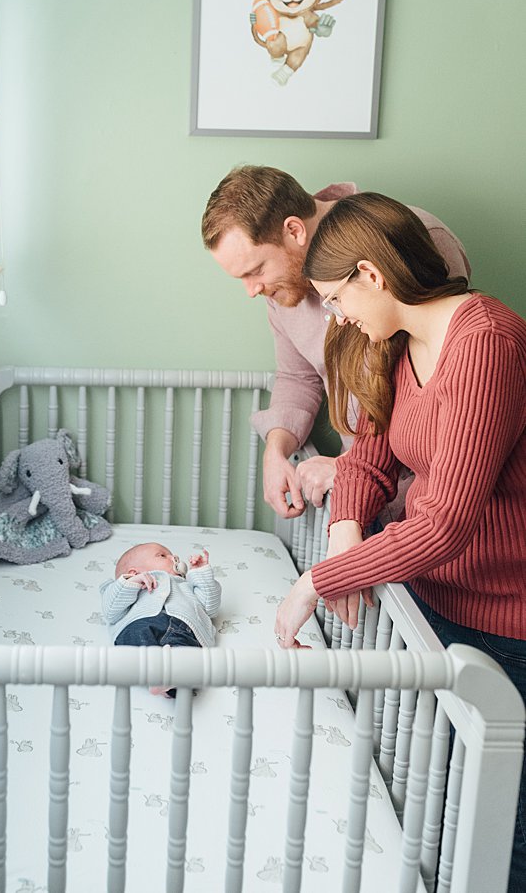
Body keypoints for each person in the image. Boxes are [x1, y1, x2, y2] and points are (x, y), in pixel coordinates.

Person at [272, 191, 526, 889]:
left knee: (505, 835)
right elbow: (365, 458)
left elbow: (445, 523)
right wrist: (345, 533)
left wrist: (318, 582)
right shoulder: (395, 344)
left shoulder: (487, 343)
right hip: (432, 610)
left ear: (370, 274)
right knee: (442, 818)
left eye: (335, 297)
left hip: (506, 623)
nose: (335, 314)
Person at [202, 165, 469, 520]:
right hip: (362, 493)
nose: (252, 290)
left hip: (432, 495)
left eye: (256, 270)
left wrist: (354, 465)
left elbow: (436, 389)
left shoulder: (408, 239)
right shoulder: (284, 289)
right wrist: (276, 451)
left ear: (294, 230)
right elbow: (298, 376)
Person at [101, 542, 221, 697]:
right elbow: (111, 612)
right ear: (134, 571)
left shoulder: (186, 585)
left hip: (183, 625)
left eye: (174, 556)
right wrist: (131, 582)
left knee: (188, 656)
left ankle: (171, 684)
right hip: (141, 623)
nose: (174, 558)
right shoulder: (127, 587)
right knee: (138, 638)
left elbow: (210, 608)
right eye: (163, 555)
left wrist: (201, 574)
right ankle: (156, 675)